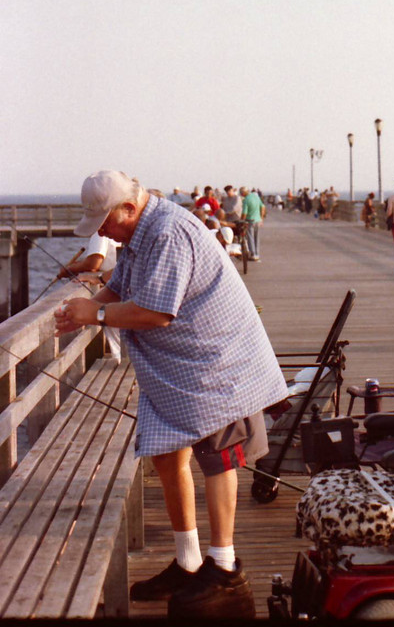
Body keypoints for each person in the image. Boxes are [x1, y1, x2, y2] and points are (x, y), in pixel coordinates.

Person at [54, 170, 287, 620]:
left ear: (128, 207)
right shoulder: (141, 230)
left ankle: (224, 570)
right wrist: (84, 313)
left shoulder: (169, 232)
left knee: (220, 459)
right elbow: (122, 286)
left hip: (217, 363)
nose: (101, 232)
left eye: (105, 222)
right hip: (181, 368)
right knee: (167, 454)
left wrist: (95, 312)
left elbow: (157, 312)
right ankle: (188, 560)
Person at [57, 232, 122, 361]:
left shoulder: (101, 232)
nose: (102, 230)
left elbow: (94, 263)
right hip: (116, 291)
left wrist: (70, 269)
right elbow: (123, 269)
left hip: (117, 295)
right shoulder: (127, 242)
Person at [241, 187, 265, 262]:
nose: (241, 194)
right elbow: (263, 207)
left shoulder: (246, 200)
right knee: (256, 238)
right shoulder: (256, 196)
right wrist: (261, 218)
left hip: (250, 221)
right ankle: (257, 254)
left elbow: (244, 213)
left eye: (241, 193)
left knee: (250, 238)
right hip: (258, 220)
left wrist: (242, 220)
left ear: (244, 193)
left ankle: (253, 254)